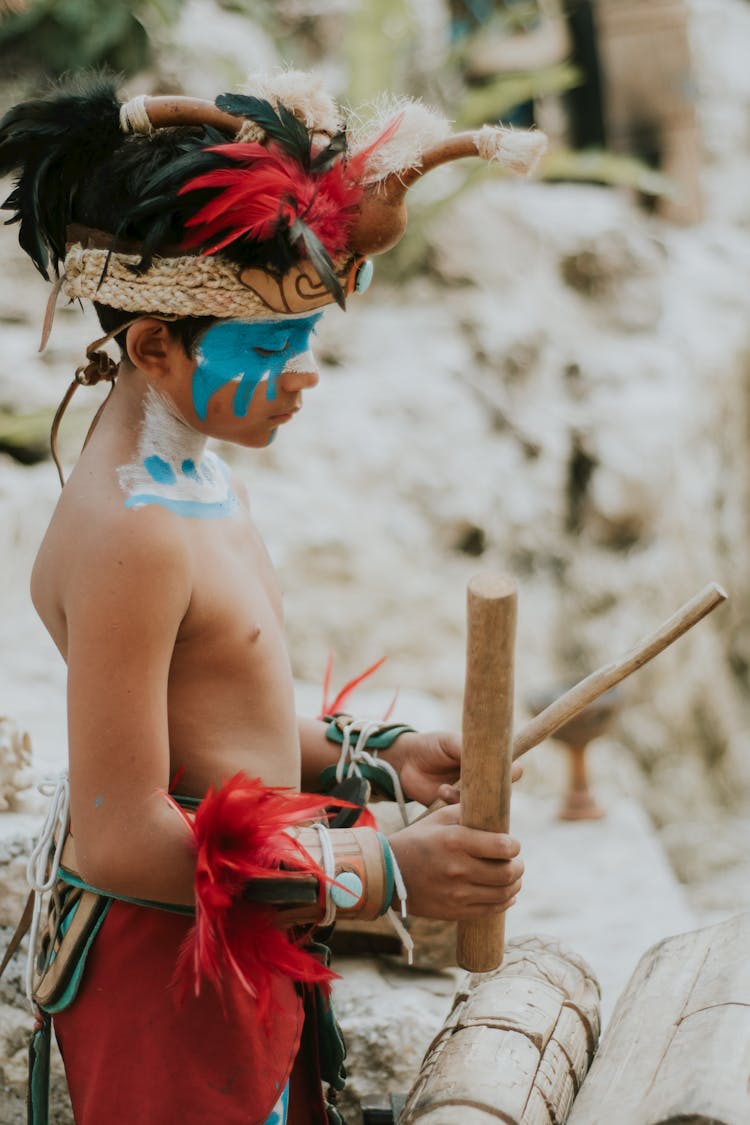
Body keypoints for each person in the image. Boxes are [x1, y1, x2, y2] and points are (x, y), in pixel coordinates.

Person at [0, 71, 544, 1125]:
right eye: (269, 345)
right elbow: (120, 841)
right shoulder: (133, 536)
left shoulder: (198, 481)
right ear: (157, 345)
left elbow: (215, 720)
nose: (302, 376)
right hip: (169, 980)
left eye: (306, 341)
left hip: (246, 941)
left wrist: (371, 758)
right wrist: (383, 870)